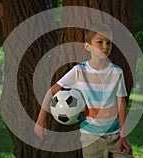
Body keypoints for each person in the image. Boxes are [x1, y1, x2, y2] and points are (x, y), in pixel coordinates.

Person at [34, 24, 133, 158]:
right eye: (100, 42)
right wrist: (41, 120)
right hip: (90, 137)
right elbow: (51, 91)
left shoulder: (116, 72)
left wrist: (123, 135)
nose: (105, 46)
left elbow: (121, 104)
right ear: (87, 46)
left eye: (108, 43)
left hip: (115, 134)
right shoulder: (79, 71)